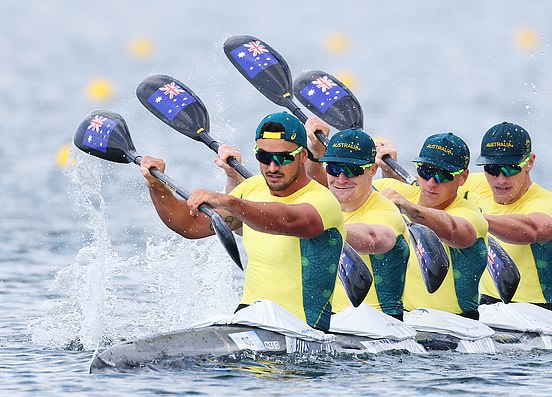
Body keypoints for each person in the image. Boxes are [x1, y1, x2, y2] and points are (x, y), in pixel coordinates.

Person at [139, 111, 346, 332]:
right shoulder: (252, 188)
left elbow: (287, 220)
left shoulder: (323, 200)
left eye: (283, 158)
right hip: (250, 318)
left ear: (303, 156)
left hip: (303, 330)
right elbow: (188, 226)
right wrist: (157, 187)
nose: (273, 167)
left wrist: (229, 201)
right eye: (264, 157)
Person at [304, 117, 410, 320]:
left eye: (352, 171)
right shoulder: (324, 202)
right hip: (327, 322)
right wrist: (315, 151)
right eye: (334, 169)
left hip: (379, 328)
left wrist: (318, 227)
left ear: (372, 170)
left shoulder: (385, 211)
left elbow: (374, 239)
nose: (341, 179)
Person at [460, 122, 552, 316]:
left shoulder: (546, 203)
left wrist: (477, 220)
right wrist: (389, 169)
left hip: (543, 314)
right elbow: (422, 191)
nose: (501, 179)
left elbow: (535, 230)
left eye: (511, 168)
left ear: (529, 162)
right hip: (487, 307)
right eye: (492, 169)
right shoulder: (474, 185)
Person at [375, 133, 488, 320]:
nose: (431, 183)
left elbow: (451, 228)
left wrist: (409, 208)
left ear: (463, 177)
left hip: (453, 327)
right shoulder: (394, 188)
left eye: (442, 175)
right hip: (402, 320)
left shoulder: (471, 216)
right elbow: (337, 190)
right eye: (425, 171)